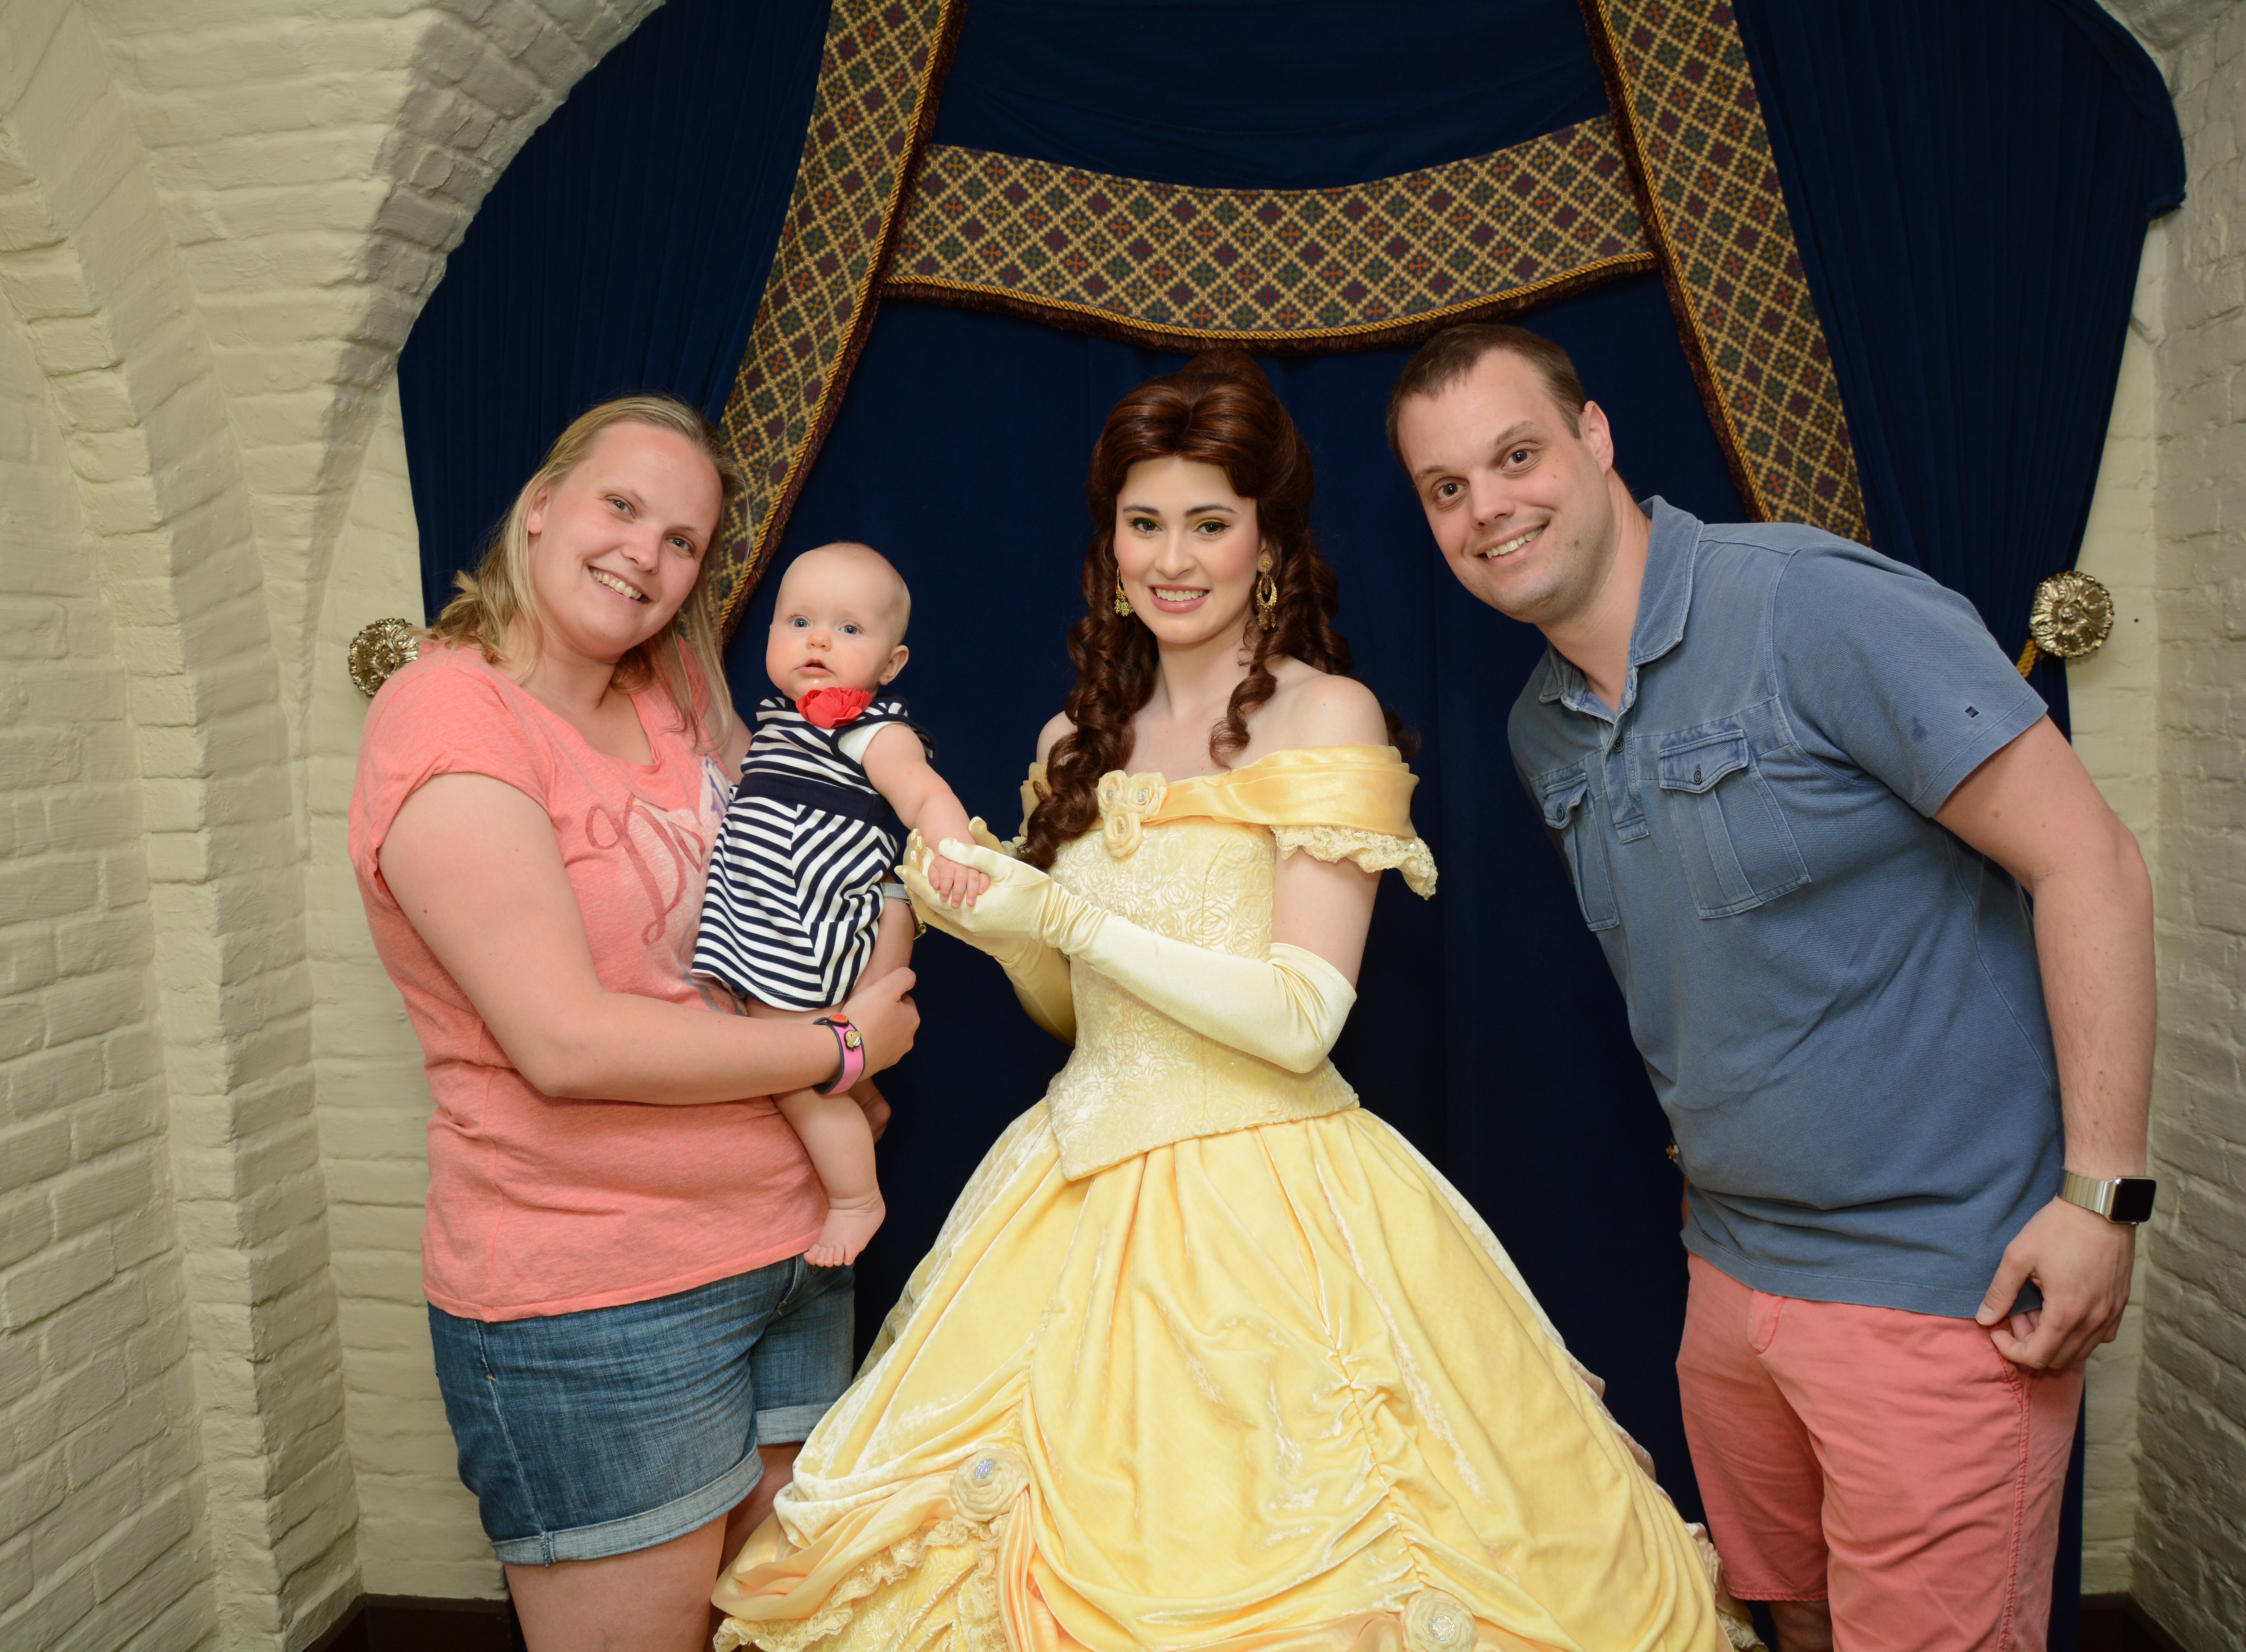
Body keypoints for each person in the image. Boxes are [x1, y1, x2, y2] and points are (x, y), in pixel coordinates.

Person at [712, 353, 1739, 1652]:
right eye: (1145, 524)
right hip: (1070, 1189)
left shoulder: (1328, 715)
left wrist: (1065, 917)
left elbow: (1302, 1020)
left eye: (1209, 523)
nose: (1173, 558)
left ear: (1269, 541)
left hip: (1280, 1206)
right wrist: (1002, 932)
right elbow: (1079, 1017)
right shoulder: (1073, 739)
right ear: (1111, 544)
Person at [1388, 323, 2158, 1652]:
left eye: (1517, 456)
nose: (1488, 507)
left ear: (1595, 437)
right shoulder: (1540, 729)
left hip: (1942, 1282)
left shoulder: (1809, 606)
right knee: (1789, 1625)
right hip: (1733, 1279)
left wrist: (2104, 1198)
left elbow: (2091, 862)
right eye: (1446, 487)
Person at [348, 396, 920, 1652]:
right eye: (621, 507)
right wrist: (842, 1048)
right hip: (603, 1301)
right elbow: (569, 1045)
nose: (644, 556)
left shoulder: (675, 692)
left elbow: (784, 889)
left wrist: (889, 922)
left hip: (793, 1257)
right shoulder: (451, 720)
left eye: (683, 541)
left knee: (786, 1636)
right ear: (539, 506)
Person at [691, 541, 988, 1265]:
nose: (819, 641)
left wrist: (956, 853)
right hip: (766, 914)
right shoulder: (779, 723)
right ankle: (865, 1099)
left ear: (891, 664)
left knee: (791, 1067)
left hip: (810, 919)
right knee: (772, 1042)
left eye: (849, 629)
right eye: (799, 622)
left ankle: (857, 1198)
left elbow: (925, 796)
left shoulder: (872, 731)